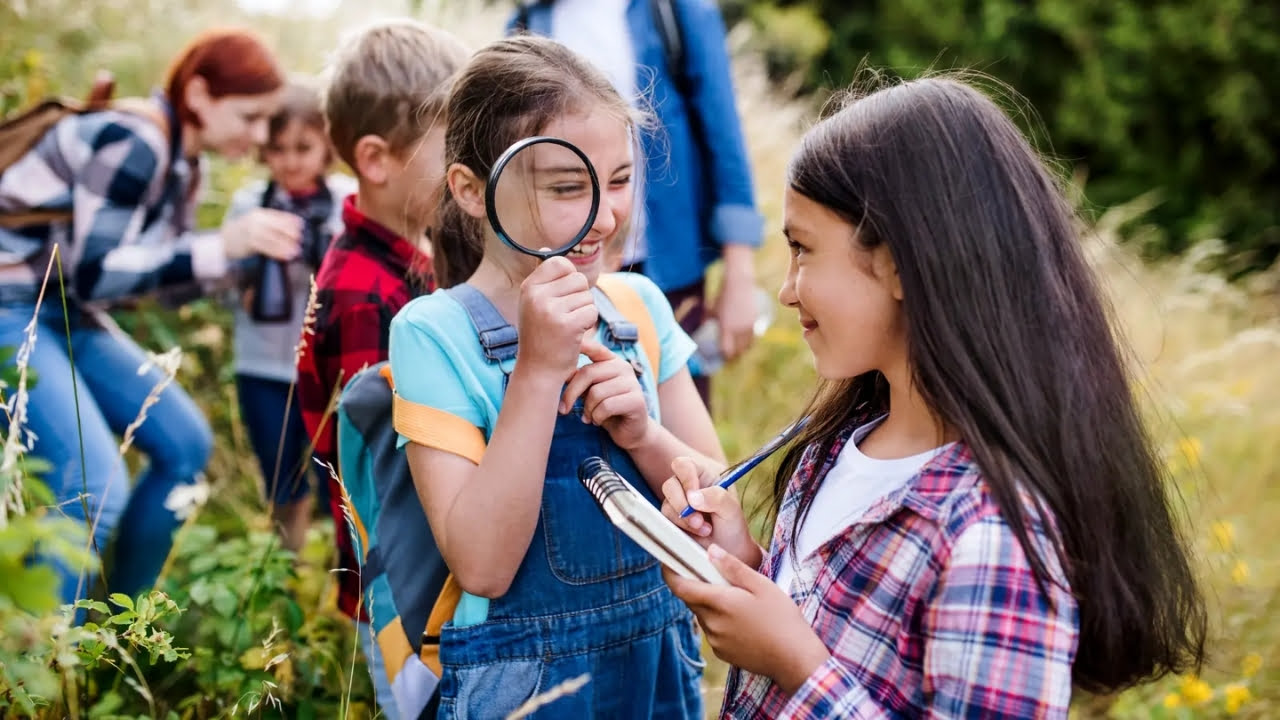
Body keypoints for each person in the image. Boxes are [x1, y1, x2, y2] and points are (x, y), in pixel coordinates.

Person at [659, 77, 1209, 717]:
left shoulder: (994, 536)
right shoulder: (837, 446)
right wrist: (743, 563)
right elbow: (827, 618)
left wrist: (796, 668)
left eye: (803, 249)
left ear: (896, 262)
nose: (786, 290)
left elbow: (808, 655)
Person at [388, 35, 724, 719]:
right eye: (569, 188)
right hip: (524, 689)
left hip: (658, 669)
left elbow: (715, 514)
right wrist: (536, 373)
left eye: (623, 180)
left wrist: (644, 435)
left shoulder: (640, 307)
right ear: (471, 192)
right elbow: (482, 566)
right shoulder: (432, 334)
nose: (606, 217)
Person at [0, 28, 298, 609]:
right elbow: (96, 274)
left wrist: (237, 268)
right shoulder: (136, 139)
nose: (258, 136)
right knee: (90, 485)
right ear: (201, 93)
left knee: (185, 445)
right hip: (11, 304)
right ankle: (42, 667)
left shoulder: (186, 169)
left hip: (62, 308)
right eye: (250, 116)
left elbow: (147, 284)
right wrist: (218, 246)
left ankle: (115, 626)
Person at [292, 18, 468, 718]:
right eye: (450, 148)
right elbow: (389, 476)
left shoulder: (405, 258)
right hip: (406, 595)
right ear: (376, 158)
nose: (466, 168)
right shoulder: (366, 295)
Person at [510, 0, 764, 405]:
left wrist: (740, 273)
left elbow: (723, 133)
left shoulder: (675, 12)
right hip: (570, 263)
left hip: (670, 270)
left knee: (679, 415)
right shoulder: (529, 21)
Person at [223, 80, 355, 552]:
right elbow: (222, 285)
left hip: (328, 369)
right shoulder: (250, 206)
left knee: (340, 485)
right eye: (277, 149)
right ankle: (285, 575)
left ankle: (345, 583)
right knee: (281, 479)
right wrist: (252, 273)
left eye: (304, 147)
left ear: (326, 147)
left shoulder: (345, 202)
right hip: (262, 365)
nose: (291, 161)